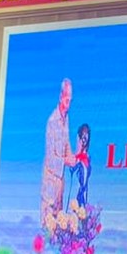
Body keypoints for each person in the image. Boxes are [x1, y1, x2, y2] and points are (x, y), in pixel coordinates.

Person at [40, 78, 77, 227]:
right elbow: (50, 157)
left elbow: (66, 142)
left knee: (59, 225)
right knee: (48, 226)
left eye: (71, 99)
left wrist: (72, 156)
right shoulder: (52, 121)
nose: (69, 102)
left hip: (60, 182)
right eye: (67, 98)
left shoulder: (66, 118)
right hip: (50, 182)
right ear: (61, 96)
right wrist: (66, 161)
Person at [69, 123, 91, 208]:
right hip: (82, 162)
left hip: (85, 163)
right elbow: (78, 153)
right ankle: (80, 205)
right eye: (84, 133)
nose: (85, 137)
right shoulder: (80, 139)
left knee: (84, 186)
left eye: (86, 133)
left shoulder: (86, 156)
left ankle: (82, 205)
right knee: (83, 187)